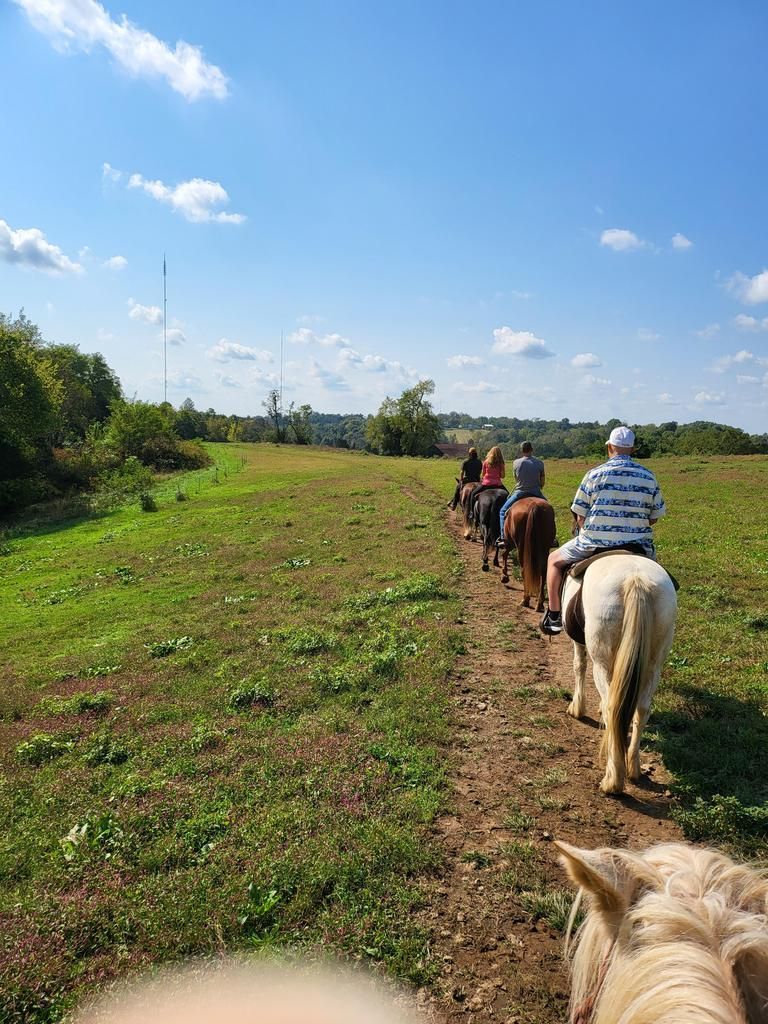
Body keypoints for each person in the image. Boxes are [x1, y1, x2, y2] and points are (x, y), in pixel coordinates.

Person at [540, 426, 666, 635]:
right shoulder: (649, 476)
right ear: (632, 449)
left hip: (594, 542)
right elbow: (654, 517)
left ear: (609, 447)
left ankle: (554, 615)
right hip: (638, 545)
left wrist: (590, 528)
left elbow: (580, 515)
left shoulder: (594, 474)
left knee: (553, 560)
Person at [497, 441, 546, 544]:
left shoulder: (516, 463)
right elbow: (542, 481)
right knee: (549, 510)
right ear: (532, 449)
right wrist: (539, 486)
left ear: (521, 450)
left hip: (520, 492)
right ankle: (552, 537)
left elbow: (516, 478)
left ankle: (503, 538)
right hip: (536, 492)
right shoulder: (540, 463)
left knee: (502, 511)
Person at [467, 445, 508, 516]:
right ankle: (507, 513)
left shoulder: (486, 462)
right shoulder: (501, 463)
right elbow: (503, 476)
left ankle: (471, 512)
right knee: (508, 496)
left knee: (473, 494)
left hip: (486, 484)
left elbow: (483, 474)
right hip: (497, 484)